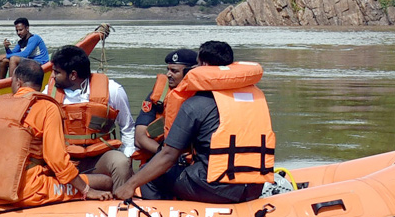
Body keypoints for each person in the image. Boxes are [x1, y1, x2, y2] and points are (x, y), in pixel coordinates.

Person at [114, 40, 276, 204]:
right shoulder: (256, 98)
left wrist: (130, 185)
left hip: (216, 188)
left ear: (203, 65)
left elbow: (168, 155)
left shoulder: (195, 104)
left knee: (150, 177)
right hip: (254, 187)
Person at [0, 58, 101, 207]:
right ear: (39, 85)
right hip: (29, 191)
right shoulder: (47, 107)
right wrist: (87, 189)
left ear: (17, 81)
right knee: (104, 181)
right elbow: (56, 160)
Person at [45, 44, 135, 192]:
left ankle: (119, 204)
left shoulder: (113, 90)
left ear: (73, 75)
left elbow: (127, 128)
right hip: (64, 159)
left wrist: (128, 159)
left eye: (56, 72)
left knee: (121, 163)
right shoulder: (49, 93)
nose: (52, 76)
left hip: (98, 158)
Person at [134, 48, 197, 159]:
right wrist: (164, 153)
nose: (168, 74)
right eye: (168, 70)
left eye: (174, 71)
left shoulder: (203, 97)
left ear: (189, 72)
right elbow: (139, 137)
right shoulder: (158, 97)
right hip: (161, 156)